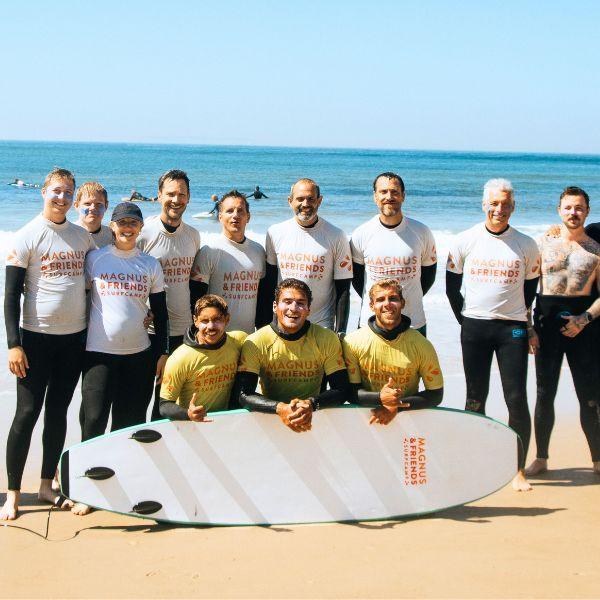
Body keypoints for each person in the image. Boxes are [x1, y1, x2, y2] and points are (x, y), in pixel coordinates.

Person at [1, 168, 94, 520]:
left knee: (58, 413)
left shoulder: (81, 238)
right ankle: (12, 495)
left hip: (73, 340)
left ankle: (44, 485)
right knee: (26, 414)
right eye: (56, 191)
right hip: (35, 339)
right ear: (43, 192)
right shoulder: (26, 236)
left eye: (68, 192)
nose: (62, 198)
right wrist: (14, 344)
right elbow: (10, 297)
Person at [73, 202, 169, 516]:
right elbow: (78, 298)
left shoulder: (150, 264)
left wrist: (162, 352)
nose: (127, 228)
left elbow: (161, 313)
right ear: (112, 227)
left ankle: (123, 485)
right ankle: (86, 490)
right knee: (95, 421)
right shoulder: (95, 259)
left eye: (133, 223)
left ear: (141, 228)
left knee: (129, 425)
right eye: (122, 222)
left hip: (139, 356)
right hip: (98, 354)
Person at [446, 178, 540, 492]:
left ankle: (518, 470)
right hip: (474, 326)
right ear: (484, 204)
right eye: (494, 203)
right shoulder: (464, 240)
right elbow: (451, 288)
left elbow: (530, 292)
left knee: (516, 398)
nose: (499, 209)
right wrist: (467, 320)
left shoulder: (526, 244)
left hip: (511, 328)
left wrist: (522, 323)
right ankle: (478, 463)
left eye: (505, 204)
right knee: (475, 399)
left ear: (513, 207)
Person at [526, 187, 600, 476]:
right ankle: (541, 458)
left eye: (579, 208)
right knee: (545, 393)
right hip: (547, 326)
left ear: (587, 212)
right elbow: (527, 288)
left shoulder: (596, 249)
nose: (573, 213)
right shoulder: (542, 244)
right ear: (559, 210)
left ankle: (597, 460)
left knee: (589, 396)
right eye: (568, 207)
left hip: (585, 326)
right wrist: (529, 327)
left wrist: (584, 318)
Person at [235, 278, 350, 432]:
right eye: (287, 301)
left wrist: (311, 404)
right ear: (275, 306)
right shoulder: (256, 341)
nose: (294, 308)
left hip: (313, 417)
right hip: (271, 419)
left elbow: (342, 389)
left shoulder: (326, 338)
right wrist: (280, 408)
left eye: (301, 303)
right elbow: (243, 394)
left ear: (309, 309)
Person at [137, 170, 201, 420]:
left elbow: (193, 284)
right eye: (170, 194)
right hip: (149, 332)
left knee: (170, 403)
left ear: (189, 197)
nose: (176, 200)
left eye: (181, 194)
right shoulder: (144, 233)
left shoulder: (193, 235)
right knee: (140, 398)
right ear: (159, 195)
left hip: (183, 332)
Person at [343, 279, 443, 425]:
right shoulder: (352, 342)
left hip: (407, 418)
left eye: (393, 298)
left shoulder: (422, 345)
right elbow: (350, 392)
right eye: (380, 300)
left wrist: (396, 406)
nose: (387, 304)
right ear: (371, 305)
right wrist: (380, 398)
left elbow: (436, 395)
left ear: (402, 303)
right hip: (366, 418)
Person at [351, 172, 437, 336]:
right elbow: (357, 280)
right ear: (375, 196)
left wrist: (406, 299)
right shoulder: (361, 233)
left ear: (403, 196)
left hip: (413, 322)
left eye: (395, 192)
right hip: (371, 323)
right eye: (383, 192)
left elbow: (428, 277)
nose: (389, 197)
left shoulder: (421, 232)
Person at [264, 178, 352, 332]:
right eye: (300, 199)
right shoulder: (275, 233)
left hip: (321, 325)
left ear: (319, 201)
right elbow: (270, 284)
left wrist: (341, 331)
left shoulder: (337, 236)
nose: (305, 204)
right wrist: (270, 325)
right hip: (283, 324)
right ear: (290, 201)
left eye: (311, 199)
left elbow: (343, 290)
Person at [159, 295, 246, 421]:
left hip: (227, 422)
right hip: (194, 427)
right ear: (196, 321)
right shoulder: (180, 358)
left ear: (227, 319)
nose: (211, 326)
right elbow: (164, 406)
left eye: (217, 319)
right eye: (205, 321)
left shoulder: (239, 341)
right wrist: (188, 414)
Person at [191, 190, 267, 333]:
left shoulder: (259, 251)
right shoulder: (209, 251)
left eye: (240, 211)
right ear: (220, 217)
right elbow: (196, 300)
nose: (235, 215)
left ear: (248, 217)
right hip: (216, 337)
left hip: (249, 338)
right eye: (229, 211)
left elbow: (262, 299)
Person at [74, 181, 113, 248]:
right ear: (77, 206)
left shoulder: (112, 237)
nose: (93, 208)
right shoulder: (67, 233)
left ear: (106, 206)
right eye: (87, 204)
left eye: (99, 204)